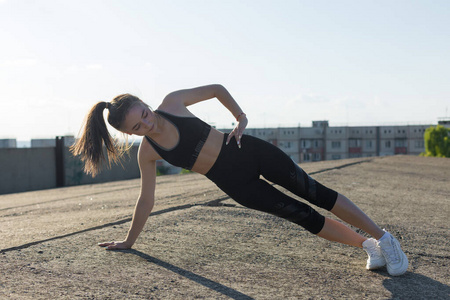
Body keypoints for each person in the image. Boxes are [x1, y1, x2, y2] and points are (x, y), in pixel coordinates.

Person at [71, 84, 408, 276]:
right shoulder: (147, 152)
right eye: (137, 127)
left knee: (315, 193)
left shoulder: (173, 103)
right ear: (130, 133)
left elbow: (217, 89)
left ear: (145, 102)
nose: (147, 124)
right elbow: (146, 200)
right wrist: (129, 241)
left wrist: (240, 117)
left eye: (144, 114)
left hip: (249, 151)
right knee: (305, 217)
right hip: (237, 186)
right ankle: (368, 246)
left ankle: (385, 239)